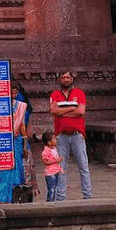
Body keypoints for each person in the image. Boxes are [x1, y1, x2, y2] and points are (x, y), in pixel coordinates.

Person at [50, 70, 92, 200]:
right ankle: (61, 197)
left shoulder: (79, 93)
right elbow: (53, 110)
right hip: (61, 136)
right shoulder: (55, 94)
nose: (66, 79)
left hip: (77, 135)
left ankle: (87, 195)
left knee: (83, 166)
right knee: (61, 168)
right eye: (63, 77)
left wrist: (61, 112)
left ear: (72, 79)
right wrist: (71, 109)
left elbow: (81, 111)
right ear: (59, 80)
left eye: (68, 77)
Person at [0, 80, 33, 203]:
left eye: (15, 93)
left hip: (16, 141)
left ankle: (13, 197)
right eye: (11, 92)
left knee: (16, 170)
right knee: (3, 171)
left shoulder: (20, 105)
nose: (13, 95)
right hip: (3, 142)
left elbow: (22, 125)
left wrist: (25, 144)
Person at [41, 131, 62, 201]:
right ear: (49, 142)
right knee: (51, 189)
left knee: (56, 188)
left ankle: (54, 200)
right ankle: (50, 201)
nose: (56, 140)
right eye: (54, 139)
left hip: (56, 171)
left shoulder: (55, 149)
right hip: (50, 173)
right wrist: (56, 160)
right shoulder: (46, 151)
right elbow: (45, 161)